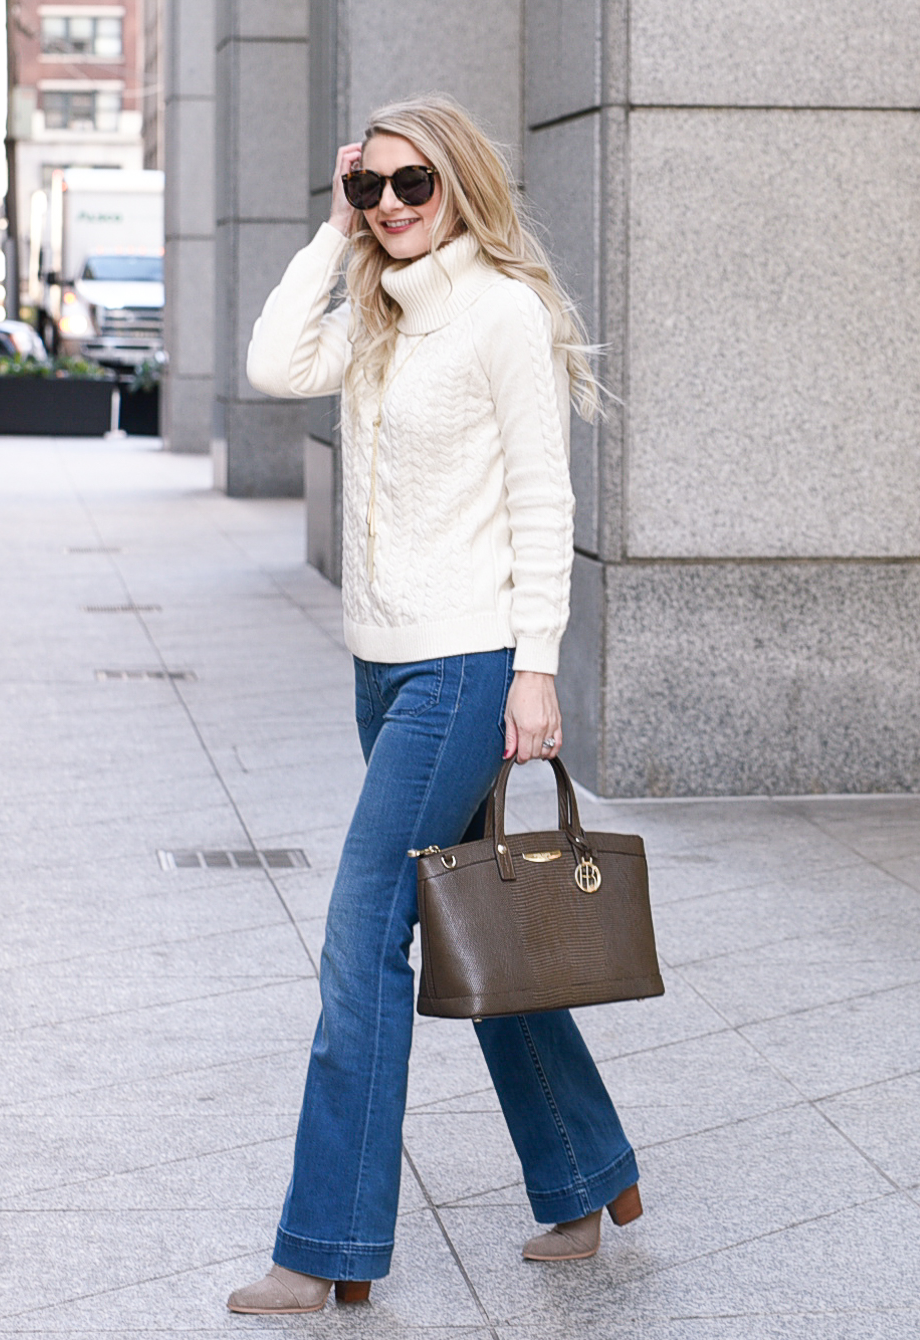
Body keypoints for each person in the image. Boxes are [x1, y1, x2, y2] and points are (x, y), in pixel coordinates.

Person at [227, 95, 640, 1317]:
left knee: (365, 932)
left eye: (415, 187)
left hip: (465, 669)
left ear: (460, 186)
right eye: (374, 189)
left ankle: (328, 1245)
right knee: (477, 923)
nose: (394, 209)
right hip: (384, 667)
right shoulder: (375, 312)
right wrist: (329, 230)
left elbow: (542, 500)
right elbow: (265, 365)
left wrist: (536, 666)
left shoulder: (502, 314)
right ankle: (588, 1170)